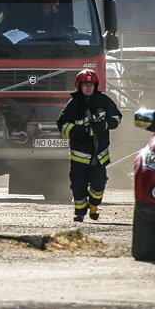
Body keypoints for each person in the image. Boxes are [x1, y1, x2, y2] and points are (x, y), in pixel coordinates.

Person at [56, 68, 122, 222]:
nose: (88, 87)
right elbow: (62, 124)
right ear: (79, 86)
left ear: (96, 85)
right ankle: (79, 212)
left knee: (99, 183)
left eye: (91, 84)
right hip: (80, 156)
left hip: (99, 155)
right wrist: (80, 131)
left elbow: (117, 118)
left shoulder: (104, 101)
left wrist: (105, 125)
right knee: (78, 186)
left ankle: (94, 205)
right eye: (85, 84)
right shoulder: (73, 104)